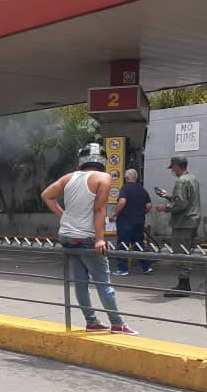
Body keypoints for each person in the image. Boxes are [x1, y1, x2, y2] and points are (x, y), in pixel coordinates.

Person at [41, 143, 138, 335]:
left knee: (80, 282)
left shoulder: (68, 177)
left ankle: (91, 321)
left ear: (81, 160)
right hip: (86, 237)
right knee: (103, 282)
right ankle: (117, 323)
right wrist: (100, 239)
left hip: (67, 236)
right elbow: (100, 209)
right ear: (102, 160)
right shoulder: (103, 177)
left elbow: (46, 195)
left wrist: (64, 216)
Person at [155, 155, 201, 297]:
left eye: (172, 167)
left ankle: (183, 285)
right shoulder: (193, 179)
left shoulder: (181, 182)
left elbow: (181, 204)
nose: (172, 170)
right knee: (186, 252)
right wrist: (168, 196)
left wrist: (165, 208)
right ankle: (184, 284)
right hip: (192, 221)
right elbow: (185, 200)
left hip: (183, 223)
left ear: (176, 166)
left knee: (180, 253)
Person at [109, 168, 153, 275]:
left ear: (127, 177)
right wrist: (141, 213)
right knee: (138, 244)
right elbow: (149, 205)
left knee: (123, 244)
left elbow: (122, 201)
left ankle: (122, 269)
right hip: (139, 222)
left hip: (125, 222)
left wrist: (114, 214)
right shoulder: (142, 190)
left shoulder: (124, 189)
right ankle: (146, 267)